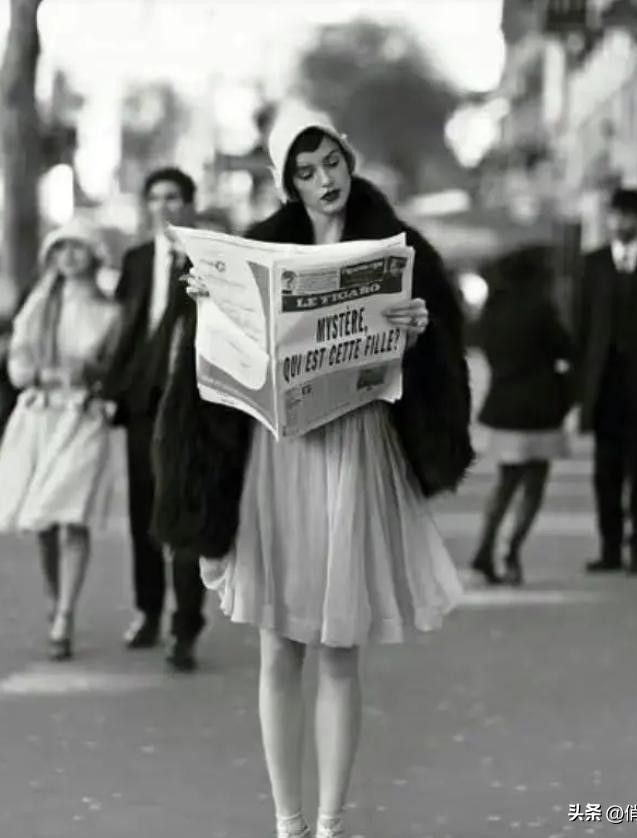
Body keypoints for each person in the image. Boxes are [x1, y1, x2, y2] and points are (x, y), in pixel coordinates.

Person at [151, 103, 473, 838]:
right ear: (286, 182)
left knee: (337, 648)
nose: (324, 179)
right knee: (278, 646)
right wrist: (204, 301)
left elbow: (434, 364)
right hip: (277, 454)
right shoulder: (259, 249)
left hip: (357, 451)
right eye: (305, 170)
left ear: (347, 159)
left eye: (330, 162)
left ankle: (329, 822)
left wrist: (419, 331)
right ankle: (287, 821)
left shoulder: (400, 249)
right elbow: (219, 362)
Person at [0, 218, 122, 660]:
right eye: (60, 248)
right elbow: (18, 364)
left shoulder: (110, 313)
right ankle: (55, 597)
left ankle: (65, 615)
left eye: (77, 247)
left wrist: (96, 380)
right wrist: (39, 373)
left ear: (93, 255)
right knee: (45, 521)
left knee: (73, 515)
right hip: (40, 416)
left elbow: (115, 368)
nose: (68, 256)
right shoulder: (39, 304)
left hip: (84, 417)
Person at [104, 167, 205, 672]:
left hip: (192, 402)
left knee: (182, 511)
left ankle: (185, 625)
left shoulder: (213, 256)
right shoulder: (137, 259)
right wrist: (111, 390)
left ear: (189, 204)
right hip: (143, 401)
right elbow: (125, 328)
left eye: (174, 197)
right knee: (143, 511)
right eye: (155, 198)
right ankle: (147, 611)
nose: (164, 206)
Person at [575, 186, 637, 576]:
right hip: (606, 387)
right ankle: (610, 548)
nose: (621, 223)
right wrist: (580, 386)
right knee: (607, 472)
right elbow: (583, 326)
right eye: (616, 216)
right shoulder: (594, 264)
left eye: (628, 216)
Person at [471, 247, 572, 586]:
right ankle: (511, 552)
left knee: (505, 482)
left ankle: (485, 547)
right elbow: (565, 348)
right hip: (540, 408)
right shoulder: (540, 309)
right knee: (534, 485)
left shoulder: (493, 309)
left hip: (504, 407)